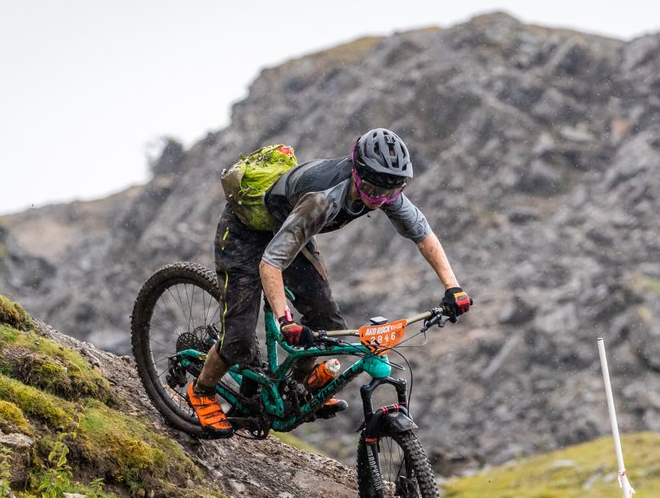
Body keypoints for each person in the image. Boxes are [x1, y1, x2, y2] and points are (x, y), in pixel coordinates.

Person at [186, 128, 472, 437]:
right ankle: (201, 391)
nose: (381, 200)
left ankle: (298, 385)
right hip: (245, 233)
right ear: (357, 173)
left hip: (290, 229)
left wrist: (452, 287)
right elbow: (271, 263)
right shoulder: (322, 200)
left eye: (391, 192)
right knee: (239, 338)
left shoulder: (385, 191)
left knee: (327, 321)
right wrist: (286, 321)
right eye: (374, 190)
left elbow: (424, 236)